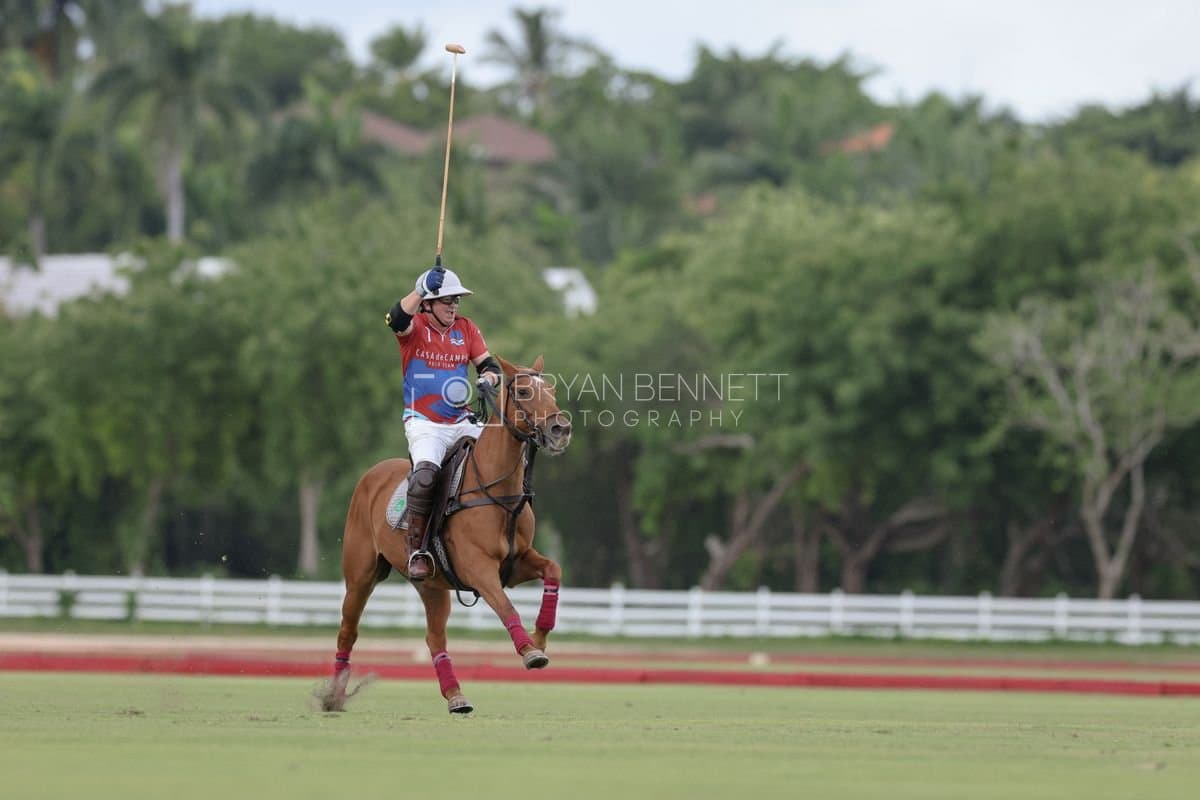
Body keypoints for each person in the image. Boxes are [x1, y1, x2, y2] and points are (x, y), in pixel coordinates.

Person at [385, 265, 502, 580]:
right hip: (424, 422)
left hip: (462, 419)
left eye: (456, 300)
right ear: (428, 304)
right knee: (424, 476)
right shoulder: (415, 328)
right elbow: (395, 318)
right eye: (446, 300)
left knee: (504, 452)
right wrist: (421, 288)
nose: (453, 306)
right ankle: (418, 550)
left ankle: (507, 533)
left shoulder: (466, 329)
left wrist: (488, 380)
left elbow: (489, 364)